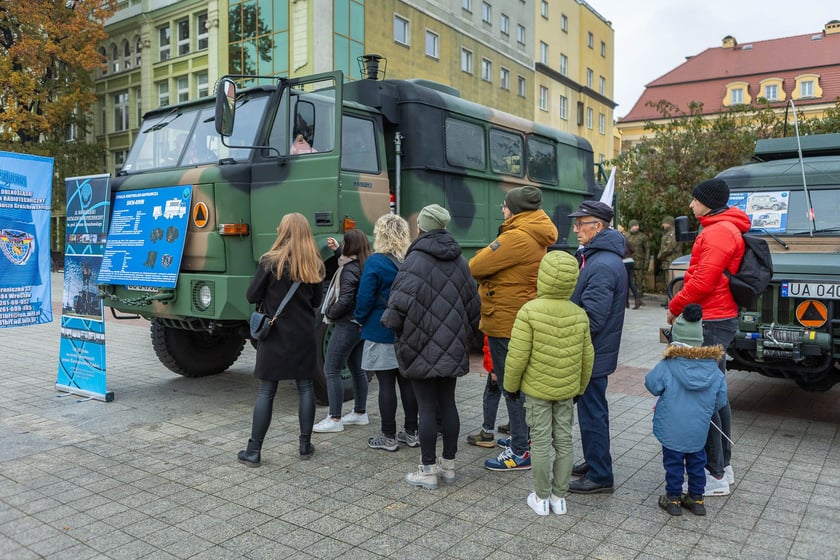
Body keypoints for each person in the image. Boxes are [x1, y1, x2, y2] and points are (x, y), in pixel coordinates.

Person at [382, 204, 480, 490]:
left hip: (419, 345)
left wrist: (389, 323)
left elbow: (396, 308)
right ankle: (448, 467)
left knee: (426, 408)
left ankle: (427, 471)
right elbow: (474, 309)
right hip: (451, 347)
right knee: (448, 403)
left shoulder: (414, 261)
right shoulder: (460, 261)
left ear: (421, 228)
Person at [667, 177, 750, 496]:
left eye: (694, 199)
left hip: (711, 319)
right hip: (719, 317)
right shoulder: (724, 227)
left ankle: (714, 473)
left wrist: (675, 307)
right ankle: (722, 466)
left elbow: (701, 282)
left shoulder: (717, 232)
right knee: (716, 395)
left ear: (709, 201)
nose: (690, 204)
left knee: (704, 398)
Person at [467, 186, 558, 472]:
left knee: (512, 387)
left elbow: (476, 264)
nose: (502, 210)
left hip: (506, 320)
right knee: (520, 385)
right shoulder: (533, 232)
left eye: (505, 206)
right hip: (518, 317)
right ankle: (523, 440)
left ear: (516, 209)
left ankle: (520, 451)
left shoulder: (517, 236)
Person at [503, 250, 594, 516]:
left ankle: (541, 498)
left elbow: (517, 356)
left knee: (540, 441)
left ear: (542, 276)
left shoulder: (529, 311)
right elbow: (588, 356)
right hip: (567, 390)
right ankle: (559, 497)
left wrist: (510, 386)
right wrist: (580, 387)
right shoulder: (579, 314)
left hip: (536, 391)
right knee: (564, 441)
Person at [239, 213, 326, 466]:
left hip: (275, 335)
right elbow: (317, 302)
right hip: (303, 335)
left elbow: (251, 295)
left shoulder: (269, 262)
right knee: (306, 388)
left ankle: (254, 451)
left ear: (283, 231)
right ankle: (305, 445)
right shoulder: (315, 264)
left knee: (267, 391)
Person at [567, 200, 627, 494]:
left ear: (599, 226)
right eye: (576, 224)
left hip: (592, 352)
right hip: (596, 351)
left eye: (581, 224)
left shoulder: (602, 265)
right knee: (593, 410)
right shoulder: (600, 258)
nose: (576, 229)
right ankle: (595, 461)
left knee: (592, 413)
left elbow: (593, 318)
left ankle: (601, 475)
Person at [645, 304, 727, 516]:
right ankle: (697, 499)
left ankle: (673, 499)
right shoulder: (713, 368)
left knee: (673, 463)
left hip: (671, 427)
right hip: (698, 429)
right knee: (697, 462)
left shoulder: (669, 364)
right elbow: (720, 400)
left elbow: (652, 385)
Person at [354, 214, 419, 451]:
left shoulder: (375, 262)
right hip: (408, 331)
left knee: (386, 385)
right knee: (408, 384)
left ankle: (388, 436)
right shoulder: (411, 260)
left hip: (380, 329)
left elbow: (364, 298)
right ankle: (412, 432)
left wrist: (360, 318)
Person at [313, 230, 372, 433]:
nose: (342, 245)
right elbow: (349, 266)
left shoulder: (348, 270)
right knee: (357, 369)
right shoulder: (364, 265)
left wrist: (328, 311)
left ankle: (335, 417)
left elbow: (345, 299)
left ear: (351, 247)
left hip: (346, 323)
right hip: (360, 325)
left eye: (344, 243)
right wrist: (337, 250)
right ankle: (360, 412)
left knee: (331, 369)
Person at [625, 219, 649, 301]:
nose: (637, 227)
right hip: (628, 261)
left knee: (639, 280)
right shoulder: (626, 236)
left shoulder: (643, 237)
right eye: (635, 226)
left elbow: (647, 250)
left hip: (639, 261)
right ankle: (627, 299)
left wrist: (646, 262)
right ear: (631, 226)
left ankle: (639, 298)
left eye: (637, 225)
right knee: (628, 281)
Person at [621, 237, 642, 310]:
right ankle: (637, 299)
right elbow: (633, 249)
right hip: (630, 261)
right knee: (630, 282)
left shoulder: (617, 241)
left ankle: (626, 302)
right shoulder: (626, 239)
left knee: (625, 282)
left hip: (623, 262)